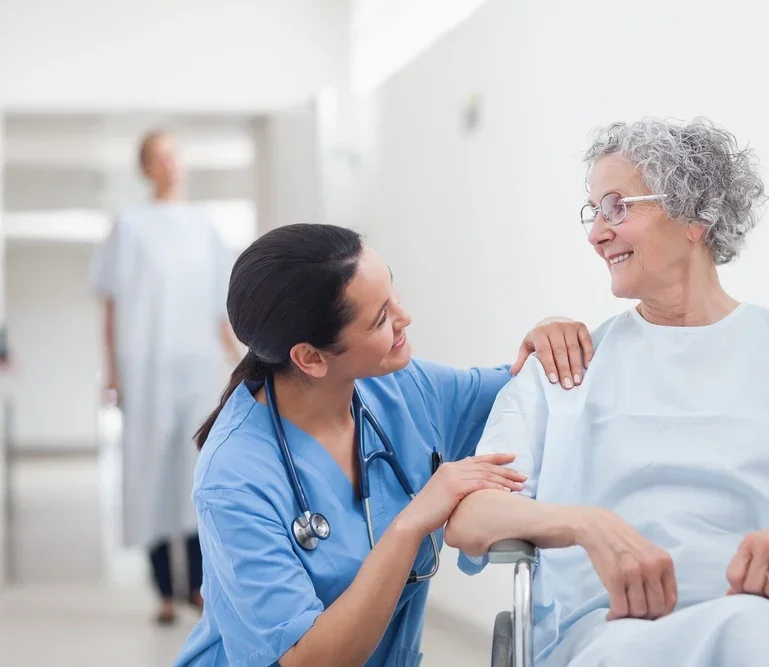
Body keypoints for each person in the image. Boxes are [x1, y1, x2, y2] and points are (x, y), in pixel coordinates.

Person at [444, 118, 769, 667]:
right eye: (594, 213)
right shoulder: (563, 367)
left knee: (761, 639)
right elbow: (472, 516)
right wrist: (585, 524)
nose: (596, 234)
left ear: (695, 215)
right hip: (612, 629)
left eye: (618, 207)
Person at [173, 223, 592, 667]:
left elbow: (523, 393)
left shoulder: (400, 390)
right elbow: (307, 659)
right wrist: (411, 524)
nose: (404, 317)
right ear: (311, 357)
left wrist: (549, 336)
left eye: (392, 293)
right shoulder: (234, 478)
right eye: (380, 318)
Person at [91, 129, 243, 625]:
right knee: (152, 474)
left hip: (197, 366)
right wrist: (112, 370)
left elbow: (222, 306)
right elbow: (110, 302)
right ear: (145, 168)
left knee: (197, 472)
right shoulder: (130, 226)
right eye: (158, 157)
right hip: (146, 366)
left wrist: (241, 364)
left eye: (174, 154)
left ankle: (197, 587)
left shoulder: (206, 226)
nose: (169, 164)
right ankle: (161, 589)